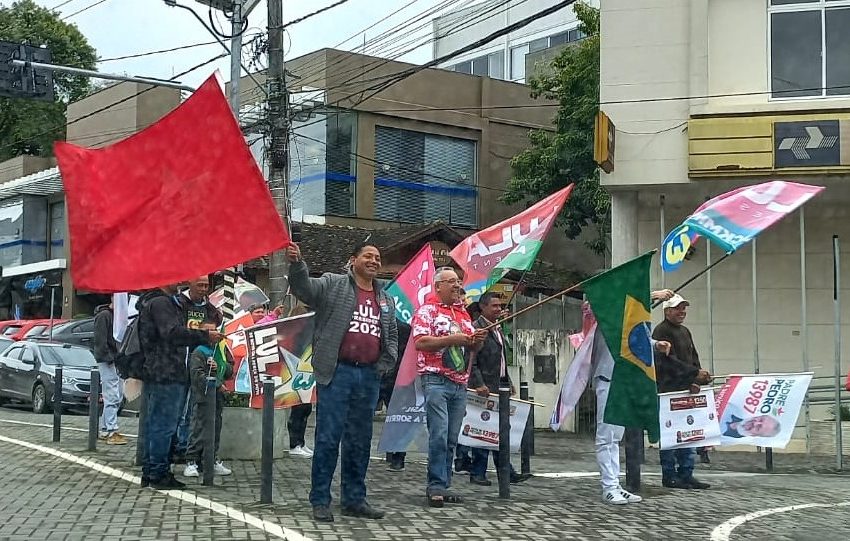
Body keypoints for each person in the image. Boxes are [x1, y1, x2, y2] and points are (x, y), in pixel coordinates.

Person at [286, 241, 398, 523]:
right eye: (368, 256)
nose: (374, 261)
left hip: (369, 375)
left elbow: (391, 333)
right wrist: (298, 264)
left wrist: (385, 363)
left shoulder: (385, 296)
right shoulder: (333, 283)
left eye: (377, 257)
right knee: (327, 438)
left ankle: (354, 499)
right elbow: (304, 290)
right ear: (353, 260)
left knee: (360, 441)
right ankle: (320, 500)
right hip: (338, 373)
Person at [413, 267, 486, 508]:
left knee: (452, 438)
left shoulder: (463, 315)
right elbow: (421, 342)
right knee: (440, 434)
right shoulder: (427, 311)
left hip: (459, 383)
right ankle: (435, 485)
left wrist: (476, 343)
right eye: (451, 282)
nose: (457, 286)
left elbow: (471, 349)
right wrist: (454, 340)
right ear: (438, 287)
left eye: (458, 282)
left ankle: (443, 485)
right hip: (435, 380)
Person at [138, 284, 223, 490]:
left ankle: (152, 470)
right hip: (166, 371)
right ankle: (158, 473)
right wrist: (204, 336)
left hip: (164, 370)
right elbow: (172, 333)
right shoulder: (161, 303)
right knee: (164, 425)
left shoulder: (164, 302)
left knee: (158, 423)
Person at [467, 292, 530, 486]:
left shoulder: (498, 329)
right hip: (483, 388)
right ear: (483, 307)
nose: (499, 309)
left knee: (500, 430)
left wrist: (508, 382)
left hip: (498, 386)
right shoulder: (477, 328)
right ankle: (478, 472)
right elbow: (472, 360)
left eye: (500, 306)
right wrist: (478, 383)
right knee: (483, 429)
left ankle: (506, 471)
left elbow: (500, 359)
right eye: (494, 306)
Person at [652, 293, 712, 490]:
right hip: (668, 390)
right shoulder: (661, 331)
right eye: (678, 308)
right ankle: (669, 475)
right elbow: (668, 362)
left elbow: (693, 356)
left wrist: (697, 379)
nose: (682, 311)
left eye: (683, 308)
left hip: (686, 389)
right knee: (670, 434)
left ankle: (687, 473)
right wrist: (695, 373)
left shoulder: (685, 331)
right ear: (667, 311)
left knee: (689, 432)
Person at [176, 276, 223, 462]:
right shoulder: (179, 304)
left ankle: (187, 447)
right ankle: (178, 446)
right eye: (200, 285)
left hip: (200, 364)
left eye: (206, 285)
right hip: (180, 360)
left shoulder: (209, 308)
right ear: (190, 284)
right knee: (179, 407)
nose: (204, 289)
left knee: (193, 409)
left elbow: (217, 322)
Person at [184, 320, 234, 478]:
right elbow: (197, 374)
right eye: (208, 331)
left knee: (215, 428)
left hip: (217, 398)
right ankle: (191, 461)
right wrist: (215, 383)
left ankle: (211, 459)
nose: (213, 334)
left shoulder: (221, 349)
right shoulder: (199, 351)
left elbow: (229, 369)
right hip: (202, 396)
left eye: (214, 330)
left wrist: (220, 368)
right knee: (198, 428)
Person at [93, 302, 127, 445]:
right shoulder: (105, 316)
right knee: (112, 394)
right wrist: (109, 357)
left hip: (113, 359)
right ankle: (111, 430)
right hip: (108, 360)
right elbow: (101, 341)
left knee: (116, 394)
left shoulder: (113, 316)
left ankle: (106, 428)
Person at [382, 320, 411, 472]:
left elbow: (407, 355)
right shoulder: (377, 323)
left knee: (398, 417)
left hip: (396, 379)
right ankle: (392, 452)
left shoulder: (404, 329)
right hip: (380, 376)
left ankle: (398, 456)